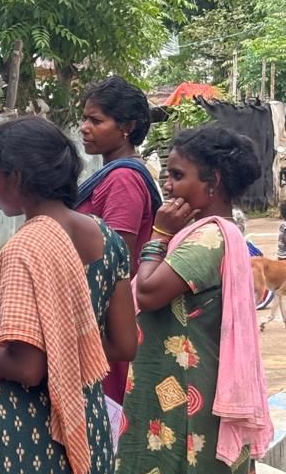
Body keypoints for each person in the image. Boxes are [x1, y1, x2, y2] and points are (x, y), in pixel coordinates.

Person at [0, 116, 134, 474]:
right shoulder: (107, 238)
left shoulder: (24, 251)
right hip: (83, 416)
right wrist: (65, 351)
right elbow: (124, 345)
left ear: (16, 177)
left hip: (28, 431)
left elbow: (28, 368)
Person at [117, 125, 272, 474]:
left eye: (177, 175)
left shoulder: (208, 240)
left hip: (183, 391)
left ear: (212, 181)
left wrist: (158, 234)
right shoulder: (207, 234)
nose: (167, 185)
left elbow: (148, 291)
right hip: (173, 382)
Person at [76, 76, 161, 403]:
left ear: (127, 126)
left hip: (108, 320)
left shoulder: (123, 179)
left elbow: (113, 261)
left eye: (96, 120)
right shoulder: (111, 174)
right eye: (84, 118)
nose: (85, 127)